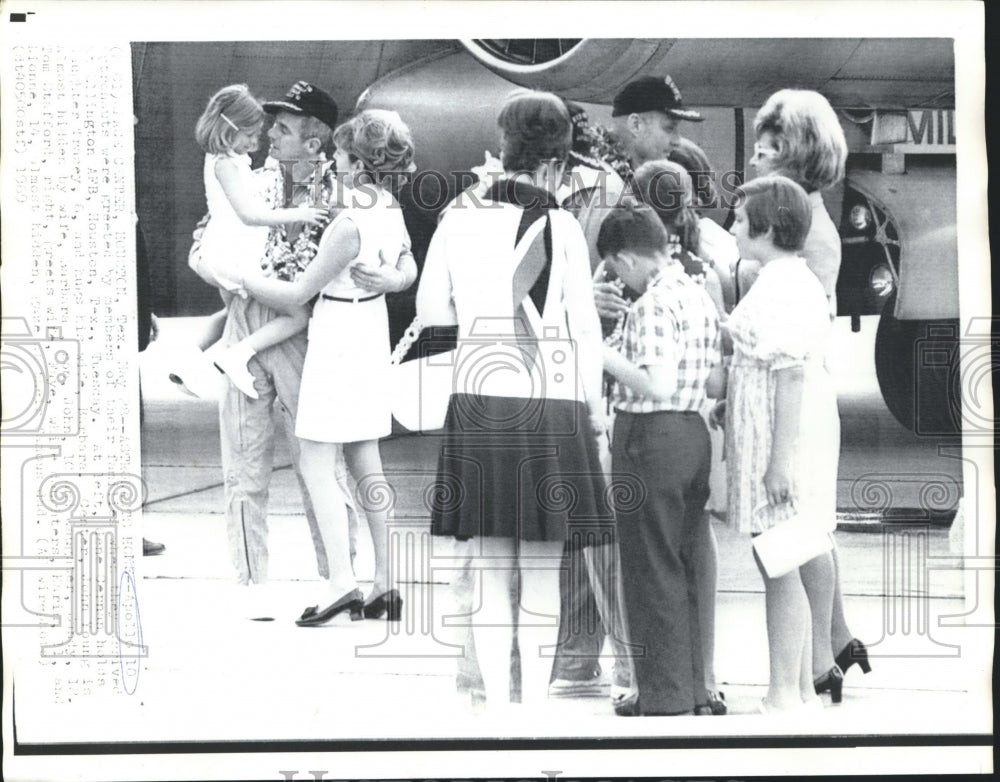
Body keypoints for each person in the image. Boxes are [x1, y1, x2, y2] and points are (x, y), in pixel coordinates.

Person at [417, 89, 607, 711]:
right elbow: (585, 330)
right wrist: (595, 410)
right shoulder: (564, 228)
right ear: (558, 159)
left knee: (492, 571)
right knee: (545, 576)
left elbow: (429, 312)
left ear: (502, 148)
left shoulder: (457, 216)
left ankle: (497, 707)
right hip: (552, 404)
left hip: (478, 399)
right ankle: (535, 718)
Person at [243, 109, 417, 625]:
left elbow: (300, 291)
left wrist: (240, 278)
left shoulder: (348, 221)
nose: (334, 160)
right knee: (366, 461)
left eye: (341, 154)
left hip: (340, 335)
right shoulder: (386, 205)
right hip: (371, 331)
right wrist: (391, 281)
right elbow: (408, 264)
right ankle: (387, 582)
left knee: (317, 461)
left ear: (358, 163)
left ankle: (342, 582)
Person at [212, 81, 356, 620]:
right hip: (245, 317)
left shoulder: (341, 193)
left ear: (315, 142)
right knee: (243, 460)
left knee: (316, 460)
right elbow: (207, 247)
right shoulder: (252, 182)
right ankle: (252, 585)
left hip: (303, 330)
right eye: (271, 125)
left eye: (284, 128)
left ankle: (339, 574)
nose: (270, 134)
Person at [749, 89, 869, 695]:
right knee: (802, 531)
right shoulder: (782, 210)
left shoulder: (803, 230)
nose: (754, 161)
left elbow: (791, 337)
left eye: (768, 151)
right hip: (787, 387)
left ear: (796, 156)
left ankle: (819, 661)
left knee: (798, 531)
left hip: (795, 390)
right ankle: (828, 652)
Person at [716, 175, 838, 714]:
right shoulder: (782, 278)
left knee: (778, 558)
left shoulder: (784, 284)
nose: (734, 229)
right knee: (783, 554)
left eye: (740, 220)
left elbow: (788, 373)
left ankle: (784, 690)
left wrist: (778, 462)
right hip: (772, 428)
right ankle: (803, 686)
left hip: (780, 438)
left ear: (766, 227)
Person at [598, 203, 721, 717]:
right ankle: (694, 686)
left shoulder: (651, 305)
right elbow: (712, 379)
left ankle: (662, 694)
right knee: (685, 561)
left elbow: (656, 381)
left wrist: (595, 350)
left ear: (628, 259)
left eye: (612, 267)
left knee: (650, 567)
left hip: (650, 435)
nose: (614, 278)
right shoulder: (695, 292)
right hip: (693, 432)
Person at [631, 158, 728, 715]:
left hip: (651, 419)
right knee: (697, 544)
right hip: (699, 418)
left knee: (649, 556)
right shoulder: (703, 268)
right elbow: (717, 361)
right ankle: (705, 672)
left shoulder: (634, 271)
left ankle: (647, 676)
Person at [191, 83, 328, 398]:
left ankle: (195, 361)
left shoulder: (230, 160)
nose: (257, 142)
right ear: (230, 129)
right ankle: (235, 356)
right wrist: (301, 215)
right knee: (297, 314)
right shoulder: (224, 164)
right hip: (231, 253)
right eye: (251, 135)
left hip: (232, 250)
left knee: (234, 314)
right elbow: (249, 215)